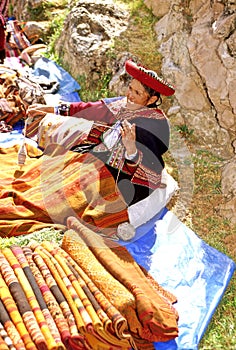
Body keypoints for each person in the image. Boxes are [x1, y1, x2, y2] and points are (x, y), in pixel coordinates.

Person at [27, 59, 175, 207]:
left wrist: (131, 149)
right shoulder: (124, 104)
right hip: (104, 157)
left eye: (137, 93)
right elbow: (91, 109)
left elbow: (148, 163)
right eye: (130, 88)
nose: (129, 95)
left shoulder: (154, 127)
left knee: (72, 193)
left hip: (127, 177)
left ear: (152, 100)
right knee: (56, 171)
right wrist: (51, 109)